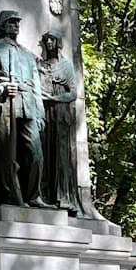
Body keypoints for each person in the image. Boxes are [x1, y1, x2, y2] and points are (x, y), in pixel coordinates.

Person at [0, 9, 49, 207]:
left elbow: (36, 88)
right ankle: (12, 197)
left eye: (17, 23)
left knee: (36, 154)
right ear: (3, 26)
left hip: (28, 107)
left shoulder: (28, 55)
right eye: (11, 23)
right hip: (6, 105)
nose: (15, 26)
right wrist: (2, 88)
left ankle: (34, 196)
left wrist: (40, 114)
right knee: (7, 156)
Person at [38, 30, 80, 214]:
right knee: (46, 152)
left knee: (61, 155)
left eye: (52, 40)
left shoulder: (66, 65)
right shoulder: (42, 65)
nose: (48, 43)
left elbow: (73, 93)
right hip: (45, 112)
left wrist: (56, 99)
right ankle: (46, 194)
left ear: (58, 42)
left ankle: (64, 197)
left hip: (61, 112)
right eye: (46, 40)